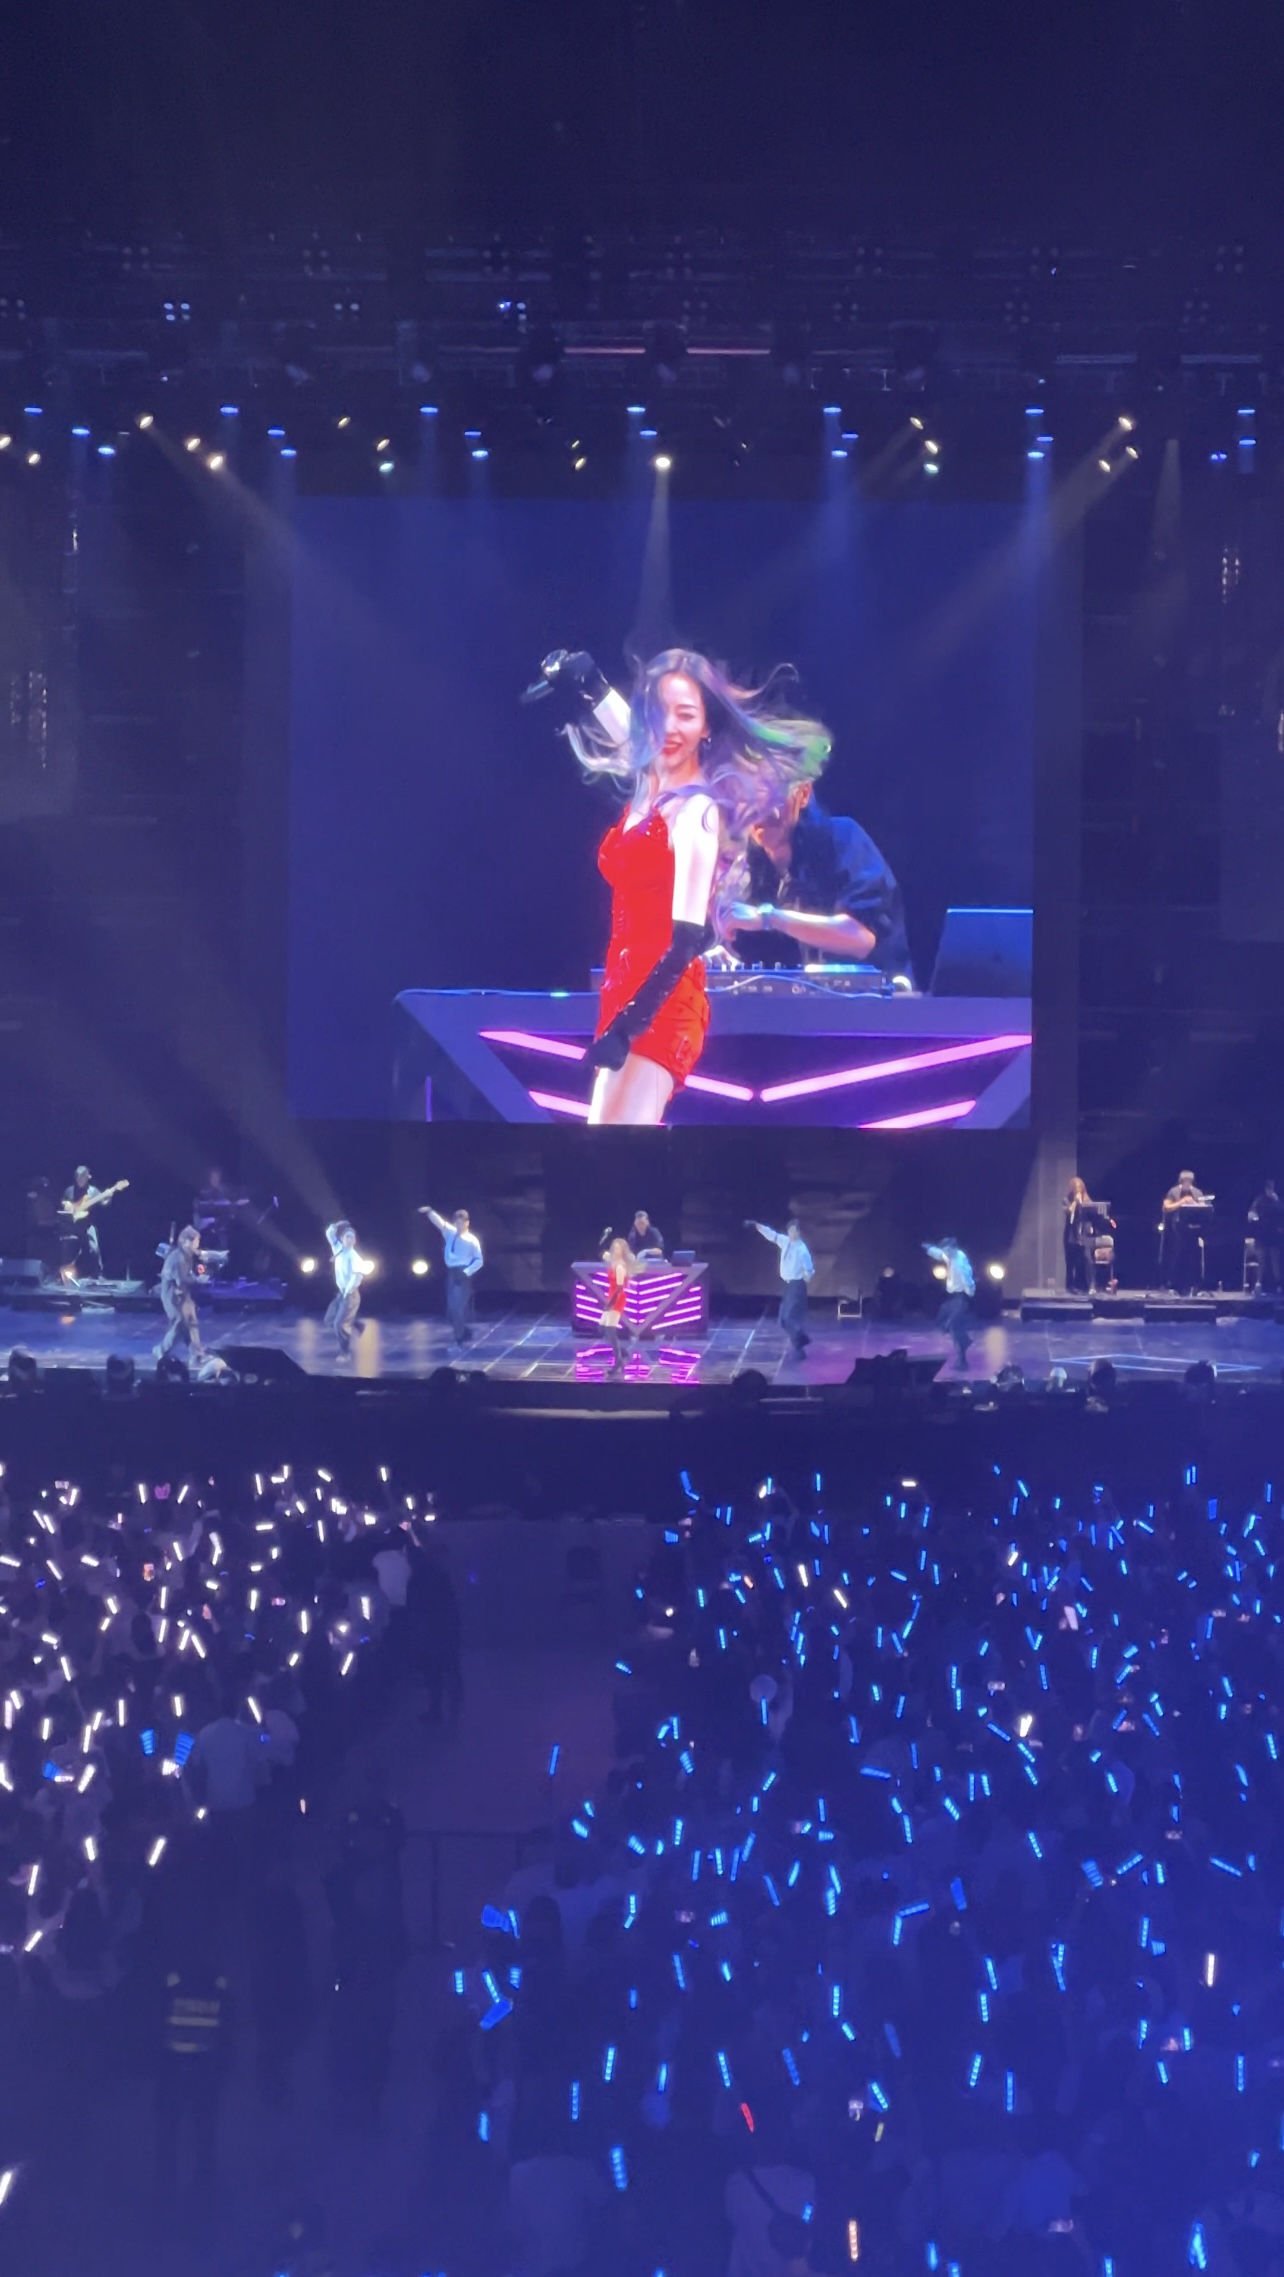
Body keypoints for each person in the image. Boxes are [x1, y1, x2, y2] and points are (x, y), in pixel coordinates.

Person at [533, 645, 831, 1125]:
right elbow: (634, 735)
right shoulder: (653, 782)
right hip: (624, 996)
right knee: (601, 1155)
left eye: (686, 715)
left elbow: (686, 940)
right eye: (659, 713)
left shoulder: (696, 812)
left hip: (659, 1007)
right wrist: (590, 686)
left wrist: (627, 1029)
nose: (670, 728)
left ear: (706, 726)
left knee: (611, 1158)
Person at [730, 779, 911, 979]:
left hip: (871, 996)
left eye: (773, 796)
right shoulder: (747, 862)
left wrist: (768, 918)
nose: (761, 811)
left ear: (804, 794)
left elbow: (861, 939)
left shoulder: (842, 837)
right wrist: (730, 958)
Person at [747, 1216, 815, 1357]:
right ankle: (802, 1338)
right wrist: (757, 1226)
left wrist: (804, 1278)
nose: (791, 1234)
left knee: (789, 1318)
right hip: (787, 1285)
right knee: (783, 1320)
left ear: (799, 1232)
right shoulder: (785, 1241)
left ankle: (799, 1346)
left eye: (794, 1231)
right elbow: (772, 1235)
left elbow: (809, 1269)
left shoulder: (802, 1250)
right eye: (790, 1231)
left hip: (796, 1286)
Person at [419, 1204, 483, 1345]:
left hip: (463, 1273)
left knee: (457, 1307)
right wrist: (430, 1212)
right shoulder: (450, 1233)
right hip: (452, 1273)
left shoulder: (472, 1240)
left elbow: (479, 1260)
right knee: (451, 1309)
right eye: (457, 1223)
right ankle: (463, 1331)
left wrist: (466, 1272)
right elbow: (440, 1223)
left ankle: (459, 1337)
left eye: (461, 1223)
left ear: (467, 1223)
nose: (459, 1226)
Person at [153, 1225, 212, 1365]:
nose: (197, 1244)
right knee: (180, 1322)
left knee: (192, 1322)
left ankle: (197, 1354)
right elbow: (181, 1279)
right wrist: (198, 1280)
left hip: (183, 1293)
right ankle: (161, 1349)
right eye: (196, 1241)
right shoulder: (178, 1258)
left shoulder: (187, 1255)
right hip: (172, 1295)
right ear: (186, 1242)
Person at [324, 1219, 376, 1358]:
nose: (350, 1239)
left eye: (352, 1237)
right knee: (329, 1319)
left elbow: (356, 1277)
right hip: (341, 1294)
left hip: (350, 1295)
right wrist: (337, 1225)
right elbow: (329, 1234)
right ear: (342, 1238)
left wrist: (347, 1292)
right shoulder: (338, 1249)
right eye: (347, 1236)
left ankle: (345, 1353)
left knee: (339, 1325)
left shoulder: (354, 1257)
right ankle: (357, 1325)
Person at [59, 1163, 120, 1280]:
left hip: (87, 1225)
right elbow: (63, 1203)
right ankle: (64, 1276)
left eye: (82, 1177)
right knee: (67, 1249)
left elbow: (103, 1203)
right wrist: (68, 1205)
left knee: (94, 1249)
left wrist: (108, 1197)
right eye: (78, 1177)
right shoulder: (69, 1190)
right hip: (72, 1225)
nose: (80, 1179)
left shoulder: (93, 1191)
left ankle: (97, 1274)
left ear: (88, 1177)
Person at [924, 1235, 975, 1368]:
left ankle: (962, 1357)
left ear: (954, 1248)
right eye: (945, 1250)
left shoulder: (959, 1263)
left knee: (953, 1325)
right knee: (948, 1323)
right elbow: (940, 1254)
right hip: (953, 1297)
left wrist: (969, 1293)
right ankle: (965, 1342)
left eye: (947, 1250)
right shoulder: (950, 1255)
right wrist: (929, 1249)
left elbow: (967, 1278)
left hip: (960, 1297)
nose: (945, 1253)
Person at [1160, 1169, 1210, 1293]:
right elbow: (1166, 1206)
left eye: (1189, 1181)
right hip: (1176, 1230)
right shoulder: (1174, 1192)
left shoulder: (1197, 1192)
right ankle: (1174, 1284)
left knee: (1193, 1257)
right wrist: (1181, 1202)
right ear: (1180, 1181)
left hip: (1194, 1228)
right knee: (1177, 1255)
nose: (1187, 1184)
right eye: (1184, 1181)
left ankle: (1194, 1284)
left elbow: (1203, 1206)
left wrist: (1194, 1204)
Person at [1063, 1176, 1115, 1294]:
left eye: (1080, 1189)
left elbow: (1095, 1216)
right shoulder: (1066, 1201)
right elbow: (1069, 1212)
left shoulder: (1087, 1202)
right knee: (1070, 1262)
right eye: (1076, 1189)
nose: (1078, 1191)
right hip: (1070, 1235)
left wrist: (1104, 1221)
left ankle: (1085, 1286)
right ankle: (1069, 1287)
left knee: (1083, 1259)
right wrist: (1075, 1202)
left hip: (1083, 1236)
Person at [598, 1234, 638, 1372]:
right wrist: (604, 1238)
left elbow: (620, 1287)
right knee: (602, 1328)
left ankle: (618, 1362)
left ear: (623, 1250)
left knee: (610, 1329)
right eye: (614, 1248)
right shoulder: (613, 1261)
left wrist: (611, 1303)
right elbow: (602, 1253)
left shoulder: (620, 1266)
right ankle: (622, 1352)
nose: (615, 1251)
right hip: (611, 1296)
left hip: (617, 1298)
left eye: (618, 1249)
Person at [1249, 1177, 1283, 1293]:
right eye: (1268, 1188)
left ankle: (1278, 1284)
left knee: (1275, 1258)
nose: (1270, 1190)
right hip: (1262, 1233)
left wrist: (1277, 1202)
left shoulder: (1278, 1201)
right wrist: (1252, 1216)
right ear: (1265, 1189)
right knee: (1261, 1259)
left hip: (1274, 1234)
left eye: (1272, 1187)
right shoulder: (1259, 1200)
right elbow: (1252, 1213)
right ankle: (1258, 1284)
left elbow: (1281, 1214)